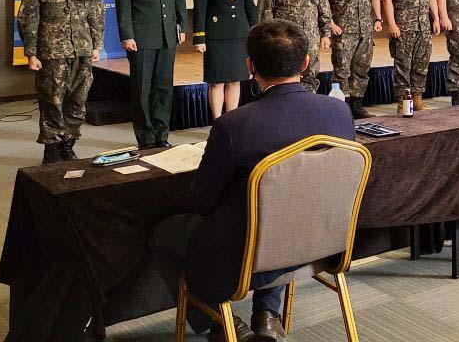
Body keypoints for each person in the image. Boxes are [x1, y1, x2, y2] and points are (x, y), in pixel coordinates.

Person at [150, 20, 355, 342]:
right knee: (283, 212)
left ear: (250, 66)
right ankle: (267, 315)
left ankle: (219, 325)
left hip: (249, 256)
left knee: (164, 235)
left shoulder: (234, 125)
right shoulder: (339, 112)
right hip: (323, 243)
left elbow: (202, 201)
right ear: (305, 63)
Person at [15, 0, 105, 163]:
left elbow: (96, 14)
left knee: (77, 102)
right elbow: (28, 19)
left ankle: (68, 144)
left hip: (82, 51)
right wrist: (31, 53)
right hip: (52, 54)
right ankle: (52, 149)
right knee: (52, 102)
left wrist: (97, 45)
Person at [114, 0, 187, 148]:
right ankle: (146, 139)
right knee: (142, 89)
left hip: (168, 36)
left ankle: (161, 136)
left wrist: (182, 27)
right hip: (141, 38)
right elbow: (124, 7)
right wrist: (127, 36)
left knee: (164, 88)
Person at [193, 0, 259, 120]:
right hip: (217, 37)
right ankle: (217, 120)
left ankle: (231, 119)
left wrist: (256, 32)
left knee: (235, 80)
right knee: (217, 82)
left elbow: (249, 6)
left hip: (240, 35)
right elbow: (200, 9)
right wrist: (199, 37)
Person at [319, 0, 382, 120]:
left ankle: (357, 106)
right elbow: (323, 0)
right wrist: (330, 23)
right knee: (342, 70)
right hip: (343, 30)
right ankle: (341, 109)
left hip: (365, 28)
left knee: (361, 69)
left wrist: (378, 19)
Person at [257, 0, 332, 96]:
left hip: (310, 41)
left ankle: (307, 104)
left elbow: (324, 11)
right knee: (284, 77)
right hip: (285, 42)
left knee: (310, 76)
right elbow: (265, 16)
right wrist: (268, 41)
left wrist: (326, 34)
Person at [382, 0, 439, 113]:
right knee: (403, 66)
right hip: (403, 27)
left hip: (423, 27)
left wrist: (436, 18)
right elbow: (387, 0)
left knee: (421, 64)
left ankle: (417, 99)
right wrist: (392, 24)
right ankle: (403, 102)